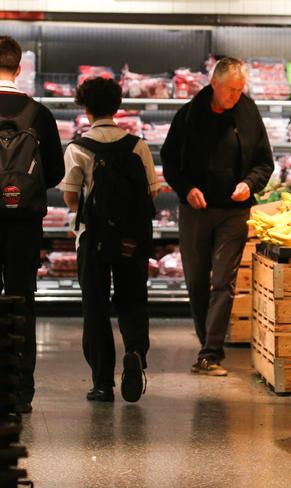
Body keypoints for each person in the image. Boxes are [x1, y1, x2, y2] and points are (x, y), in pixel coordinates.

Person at [161, 57, 273, 376]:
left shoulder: (249, 113)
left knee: (223, 281)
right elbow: (169, 162)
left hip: (235, 211)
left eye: (240, 90)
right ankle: (204, 342)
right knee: (197, 281)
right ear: (214, 84)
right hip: (195, 210)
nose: (234, 97)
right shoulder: (188, 116)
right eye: (229, 90)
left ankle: (211, 352)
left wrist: (248, 184)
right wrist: (187, 188)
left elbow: (265, 162)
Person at [59, 77, 159, 403]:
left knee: (96, 307)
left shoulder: (77, 148)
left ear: (85, 108)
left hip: (94, 239)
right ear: (117, 107)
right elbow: (152, 192)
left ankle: (102, 383)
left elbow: (72, 199)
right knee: (132, 300)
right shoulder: (138, 145)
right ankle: (134, 351)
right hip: (132, 238)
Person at [0, 36, 65, 414]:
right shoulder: (40, 114)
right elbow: (54, 172)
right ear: (20, 68)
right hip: (25, 223)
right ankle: (21, 390)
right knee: (22, 298)